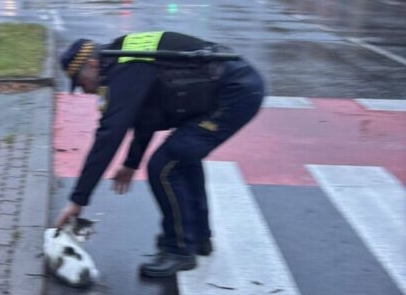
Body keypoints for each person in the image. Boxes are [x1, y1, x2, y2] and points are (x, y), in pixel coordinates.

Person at [55, 32, 265, 278]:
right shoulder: (123, 59)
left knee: (165, 165)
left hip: (234, 94)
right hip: (232, 87)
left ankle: (178, 249)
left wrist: (78, 200)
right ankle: (198, 237)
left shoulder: (124, 70)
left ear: (91, 64)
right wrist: (131, 162)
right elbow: (146, 115)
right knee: (182, 156)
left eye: (81, 82)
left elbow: (110, 134)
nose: (85, 90)